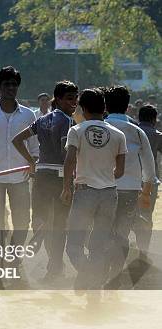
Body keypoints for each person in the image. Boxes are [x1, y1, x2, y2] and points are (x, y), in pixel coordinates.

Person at [61, 88, 126, 304]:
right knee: (98, 245)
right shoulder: (119, 135)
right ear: (104, 108)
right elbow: (120, 172)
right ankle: (94, 292)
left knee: (74, 245)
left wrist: (66, 187)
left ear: (83, 108)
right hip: (109, 194)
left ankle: (88, 276)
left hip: (85, 192)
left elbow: (69, 161)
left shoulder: (77, 131)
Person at [12, 81, 79, 282]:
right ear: (57, 99)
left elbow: (17, 140)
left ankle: (54, 264)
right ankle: (55, 267)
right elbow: (64, 152)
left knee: (42, 222)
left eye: (76, 97)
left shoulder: (42, 120)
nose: (74, 102)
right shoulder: (68, 122)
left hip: (41, 175)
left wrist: (31, 161)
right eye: (70, 98)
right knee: (58, 225)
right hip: (60, 177)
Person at [0, 66, 37, 259]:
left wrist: (33, 162)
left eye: (14, 84)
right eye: (6, 84)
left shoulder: (28, 114)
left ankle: (14, 255)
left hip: (21, 177)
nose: (11, 87)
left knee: (22, 222)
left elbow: (34, 147)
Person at [103, 86, 156, 290]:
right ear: (128, 106)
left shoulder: (96, 128)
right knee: (121, 235)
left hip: (101, 190)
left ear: (106, 105)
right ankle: (115, 278)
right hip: (129, 191)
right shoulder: (137, 131)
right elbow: (150, 170)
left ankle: (100, 272)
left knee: (101, 233)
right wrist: (145, 193)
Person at [134, 105, 162, 261]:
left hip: (130, 180)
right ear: (154, 119)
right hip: (150, 181)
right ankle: (143, 251)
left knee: (126, 214)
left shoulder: (131, 131)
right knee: (146, 215)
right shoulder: (157, 135)